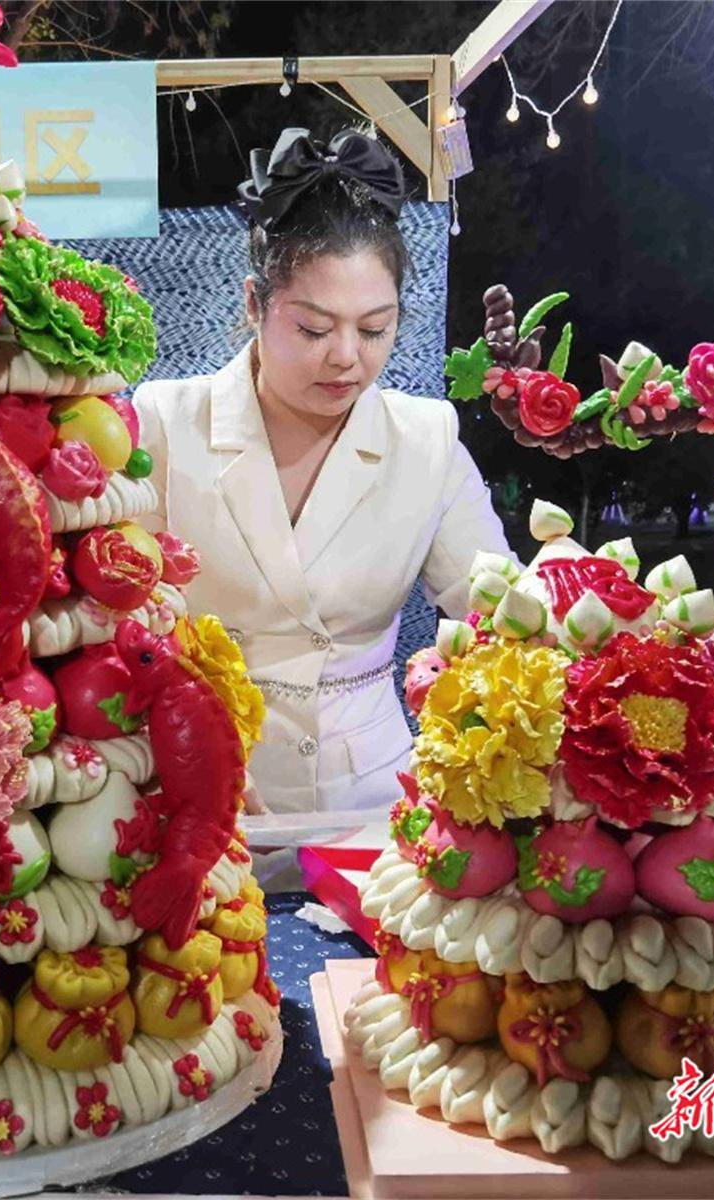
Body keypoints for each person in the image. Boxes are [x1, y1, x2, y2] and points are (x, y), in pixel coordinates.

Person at [133, 128, 512, 819]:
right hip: (190, 792)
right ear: (254, 305)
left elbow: (505, 617)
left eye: (375, 330)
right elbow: (115, 618)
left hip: (369, 804)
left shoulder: (424, 441)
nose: (346, 358)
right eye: (312, 329)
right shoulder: (164, 424)